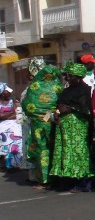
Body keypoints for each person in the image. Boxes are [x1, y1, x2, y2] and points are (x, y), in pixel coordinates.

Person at [50, 62, 95, 192]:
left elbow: (85, 108)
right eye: (66, 75)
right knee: (66, 152)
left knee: (78, 152)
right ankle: (69, 180)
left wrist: (70, 109)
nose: (67, 77)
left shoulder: (84, 89)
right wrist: (57, 113)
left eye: (69, 75)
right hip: (64, 127)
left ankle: (83, 182)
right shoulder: (67, 90)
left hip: (78, 126)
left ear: (77, 76)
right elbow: (60, 103)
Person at [22, 58, 62, 187]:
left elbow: (26, 107)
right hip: (54, 123)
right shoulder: (57, 86)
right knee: (53, 149)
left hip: (37, 125)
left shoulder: (33, 87)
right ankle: (55, 176)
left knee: (41, 151)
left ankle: (44, 179)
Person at [0, 83, 23, 171]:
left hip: (13, 123)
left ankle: (15, 163)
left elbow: (18, 114)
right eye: (7, 91)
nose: (10, 93)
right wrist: (10, 113)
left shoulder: (13, 102)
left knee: (16, 136)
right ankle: (6, 163)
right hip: (2, 124)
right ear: (2, 93)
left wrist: (6, 115)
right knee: (4, 136)